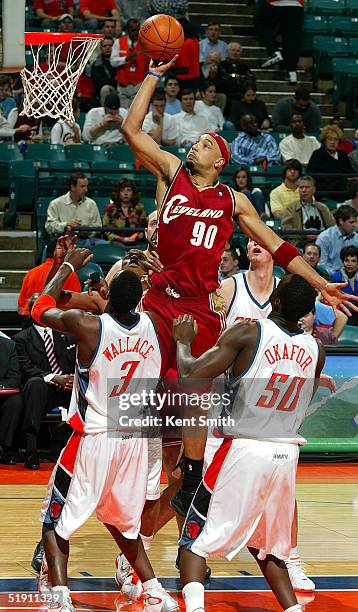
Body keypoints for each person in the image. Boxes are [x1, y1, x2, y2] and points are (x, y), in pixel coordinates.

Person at [120, 54, 358, 520]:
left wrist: (321, 284)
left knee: (195, 398)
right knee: (141, 403)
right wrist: (152, 74)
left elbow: (279, 246)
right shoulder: (173, 173)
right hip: (159, 300)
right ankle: (139, 461)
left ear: (221, 160)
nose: (197, 144)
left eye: (208, 142)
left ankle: (188, 475)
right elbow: (133, 130)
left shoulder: (233, 200)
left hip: (200, 308)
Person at [31, 248, 178, 612]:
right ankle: (155, 590)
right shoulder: (156, 325)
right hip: (136, 440)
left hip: (95, 437)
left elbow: (38, 306)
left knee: (55, 518)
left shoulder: (89, 325)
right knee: (124, 522)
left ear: (106, 296)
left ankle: (60, 597)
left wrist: (66, 267)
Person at [175, 274, 325, 612]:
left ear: (277, 301)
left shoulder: (249, 332)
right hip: (286, 454)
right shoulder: (317, 348)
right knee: (267, 547)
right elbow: (305, 397)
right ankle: (292, 609)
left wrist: (183, 341)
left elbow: (191, 373)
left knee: (194, 540)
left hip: (243, 448)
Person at [218, 241, 315, 591]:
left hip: (267, 409)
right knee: (191, 482)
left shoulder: (289, 292)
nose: (253, 243)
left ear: (277, 252)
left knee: (283, 493)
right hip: (226, 398)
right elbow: (217, 341)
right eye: (250, 240)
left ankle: (290, 557)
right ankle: (145, 548)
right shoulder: (229, 287)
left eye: (262, 240)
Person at [14, 295, 76, 470]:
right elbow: (25, 368)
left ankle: (79, 449)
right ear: (34, 312)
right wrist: (54, 378)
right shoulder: (21, 339)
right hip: (42, 392)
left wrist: (71, 378)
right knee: (35, 383)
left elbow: (78, 362)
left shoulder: (68, 335)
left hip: (68, 388)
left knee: (86, 382)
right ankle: (31, 450)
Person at [18, 239, 81, 318]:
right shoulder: (70, 275)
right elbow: (77, 309)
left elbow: (21, 309)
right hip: (56, 322)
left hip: (30, 322)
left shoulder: (31, 273)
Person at [45, 173, 103, 246]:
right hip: (65, 241)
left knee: (106, 245)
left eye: (86, 186)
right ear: (73, 187)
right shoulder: (56, 204)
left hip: (88, 240)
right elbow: (49, 227)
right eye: (82, 186)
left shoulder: (91, 204)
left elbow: (98, 226)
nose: (86, 190)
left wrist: (87, 230)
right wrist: (66, 225)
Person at [257, 0, 304, 84]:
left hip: (274, 2)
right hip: (296, 4)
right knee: (292, 38)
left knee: (262, 25)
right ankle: (292, 72)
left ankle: (274, 52)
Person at [281, 175, 335, 246]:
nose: (304, 190)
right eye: (301, 187)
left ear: (314, 189)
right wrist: (304, 234)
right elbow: (286, 229)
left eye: (307, 187)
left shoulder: (322, 207)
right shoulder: (291, 208)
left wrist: (321, 235)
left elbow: (332, 227)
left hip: (322, 240)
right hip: (301, 242)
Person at [110, 19, 149, 109]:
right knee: (123, 114)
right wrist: (127, 58)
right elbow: (112, 62)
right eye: (133, 30)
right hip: (122, 85)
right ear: (127, 30)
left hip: (138, 84)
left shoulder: (145, 44)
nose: (135, 33)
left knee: (134, 114)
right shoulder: (118, 42)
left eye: (137, 30)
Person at [307, 125, 354, 199]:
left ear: (339, 141)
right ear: (324, 140)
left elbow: (350, 172)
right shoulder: (317, 154)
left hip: (342, 188)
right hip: (324, 190)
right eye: (330, 139)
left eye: (336, 139)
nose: (333, 142)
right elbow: (311, 175)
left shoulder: (343, 154)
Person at [103, 178, 148, 245]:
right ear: (118, 193)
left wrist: (138, 235)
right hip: (116, 242)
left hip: (137, 242)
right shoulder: (111, 209)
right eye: (122, 190)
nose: (126, 193)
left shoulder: (139, 208)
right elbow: (105, 230)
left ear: (133, 193)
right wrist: (121, 239)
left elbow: (146, 225)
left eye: (129, 190)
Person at [0, 336, 23, 465]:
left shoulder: (9, 345)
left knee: (15, 401)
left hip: (2, 393)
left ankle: (4, 448)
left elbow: (15, 377)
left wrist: (1, 386)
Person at [316, 205, 358, 275]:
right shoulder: (324, 238)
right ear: (341, 221)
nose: (354, 225)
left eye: (355, 222)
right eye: (351, 222)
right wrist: (337, 276)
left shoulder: (356, 238)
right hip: (330, 278)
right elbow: (321, 265)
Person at [218, 41, 255, 106]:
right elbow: (223, 78)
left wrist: (237, 77)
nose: (235, 53)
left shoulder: (244, 67)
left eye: (238, 51)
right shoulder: (221, 65)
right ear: (227, 51)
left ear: (240, 53)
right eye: (233, 50)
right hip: (227, 95)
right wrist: (237, 78)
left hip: (242, 95)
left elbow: (251, 78)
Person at [331, 245, 358, 325]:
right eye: (347, 260)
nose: (350, 264)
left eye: (353, 261)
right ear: (343, 262)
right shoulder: (336, 277)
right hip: (342, 314)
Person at [174, 18, 200, 92]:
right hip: (194, 77)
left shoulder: (187, 43)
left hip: (185, 79)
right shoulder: (195, 41)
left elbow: (184, 67)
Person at [90, 37, 117, 107]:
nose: (108, 48)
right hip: (106, 91)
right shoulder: (96, 64)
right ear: (101, 49)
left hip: (121, 89)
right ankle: (106, 114)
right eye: (105, 46)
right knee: (105, 89)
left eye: (110, 46)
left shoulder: (120, 61)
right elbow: (99, 84)